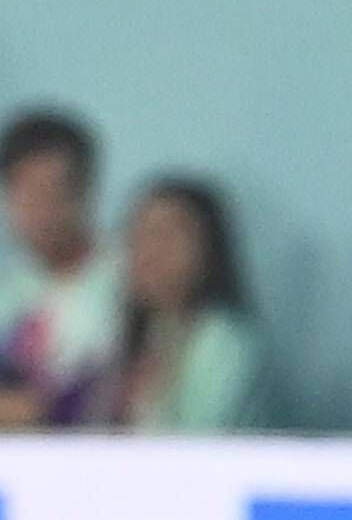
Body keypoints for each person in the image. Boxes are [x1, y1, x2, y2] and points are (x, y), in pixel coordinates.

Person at [0, 106, 119, 427]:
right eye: (24, 194)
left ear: (85, 192)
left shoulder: (127, 285)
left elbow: (101, 400)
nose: (38, 211)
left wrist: (28, 410)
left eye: (50, 193)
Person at [86, 175, 269, 430]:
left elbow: (200, 443)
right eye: (138, 236)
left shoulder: (225, 344)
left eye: (165, 236)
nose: (148, 253)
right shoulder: (133, 337)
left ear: (208, 248)